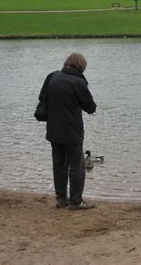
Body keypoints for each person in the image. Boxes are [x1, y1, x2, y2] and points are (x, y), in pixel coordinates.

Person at [38, 53, 97, 210]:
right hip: (72, 131)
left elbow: (42, 98)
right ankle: (76, 201)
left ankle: (61, 199)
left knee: (59, 165)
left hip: (53, 130)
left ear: (66, 63)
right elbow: (90, 107)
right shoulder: (78, 82)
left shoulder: (52, 76)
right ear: (81, 67)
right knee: (77, 166)